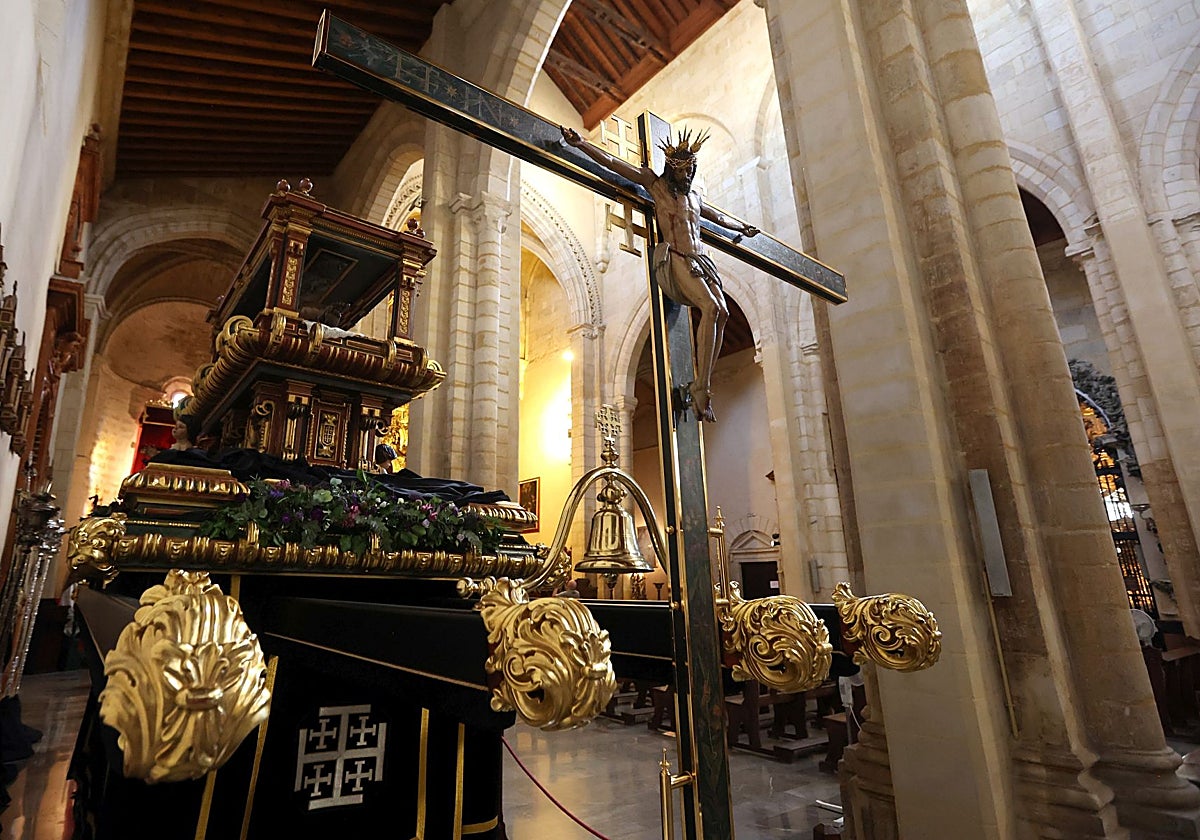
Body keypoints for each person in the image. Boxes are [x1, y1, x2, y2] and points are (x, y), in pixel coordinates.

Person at [561, 124, 758, 421]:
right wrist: (581, 144)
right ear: (671, 168)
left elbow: (716, 216)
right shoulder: (656, 185)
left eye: (691, 170)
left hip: (700, 259)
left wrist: (739, 226)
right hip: (676, 256)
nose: (688, 176)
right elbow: (613, 164)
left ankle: (702, 381)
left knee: (723, 312)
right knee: (710, 307)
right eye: (683, 171)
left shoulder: (694, 197)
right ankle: (702, 386)